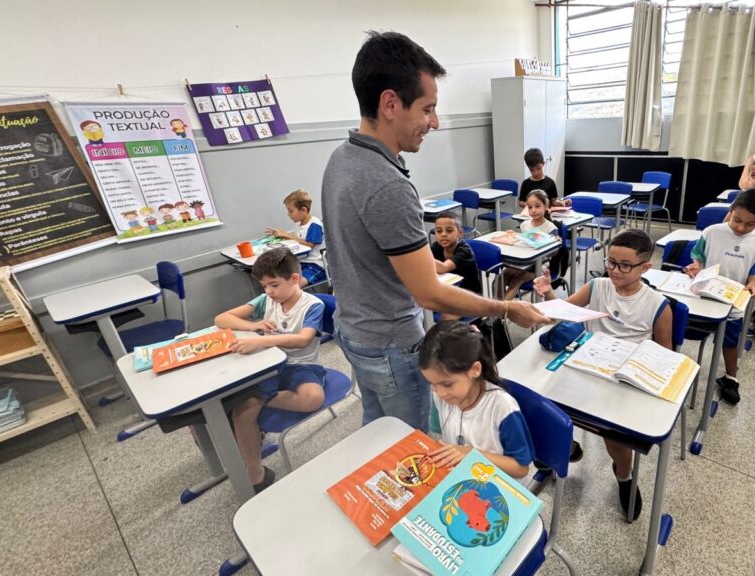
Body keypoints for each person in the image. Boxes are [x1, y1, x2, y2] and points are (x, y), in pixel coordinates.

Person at [321, 31, 548, 432]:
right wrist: (507, 307)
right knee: (412, 442)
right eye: (428, 109)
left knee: (380, 429)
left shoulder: (342, 158)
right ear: (390, 103)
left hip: (354, 330)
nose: (435, 122)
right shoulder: (387, 184)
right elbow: (428, 293)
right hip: (390, 342)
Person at [533, 229, 672, 520]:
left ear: (646, 267)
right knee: (538, 406)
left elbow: (665, 357)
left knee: (615, 440)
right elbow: (563, 312)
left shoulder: (657, 305)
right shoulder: (598, 286)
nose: (615, 270)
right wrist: (547, 292)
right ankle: (560, 450)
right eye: (611, 262)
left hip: (622, 379)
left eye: (625, 265)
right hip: (586, 365)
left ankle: (624, 476)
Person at [213, 248, 326, 492]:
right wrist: (253, 325)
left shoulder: (312, 305)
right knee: (244, 412)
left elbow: (303, 340)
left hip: (301, 364)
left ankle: (252, 401)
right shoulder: (266, 301)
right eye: (264, 286)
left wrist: (259, 340)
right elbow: (222, 319)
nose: (268, 292)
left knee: (313, 398)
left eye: (274, 285)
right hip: (268, 364)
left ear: (294, 279)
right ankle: (256, 474)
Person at [684, 189, 755, 405]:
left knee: (731, 340)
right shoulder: (712, 231)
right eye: (737, 220)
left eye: (750, 224)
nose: (741, 228)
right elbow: (698, 255)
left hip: (732, 299)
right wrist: (695, 266)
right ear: (731, 211)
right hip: (703, 295)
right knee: (679, 325)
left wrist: (753, 283)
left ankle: (731, 377)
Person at [420, 321, 534, 479]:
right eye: (432, 384)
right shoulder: (441, 396)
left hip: (495, 485)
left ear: (475, 370)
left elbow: (521, 468)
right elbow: (440, 437)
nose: (439, 393)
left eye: (447, 384)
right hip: (460, 476)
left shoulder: (503, 408)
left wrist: (471, 454)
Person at [503, 190, 559, 300]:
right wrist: (512, 236)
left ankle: (500, 311)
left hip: (539, 265)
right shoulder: (524, 225)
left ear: (546, 206)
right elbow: (522, 243)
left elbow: (554, 253)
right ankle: (497, 309)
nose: (533, 210)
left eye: (537, 206)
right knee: (501, 277)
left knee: (516, 281)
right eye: (529, 207)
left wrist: (554, 243)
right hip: (524, 262)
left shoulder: (551, 228)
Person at [266, 189, 327, 288]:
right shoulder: (299, 224)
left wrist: (287, 235)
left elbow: (308, 245)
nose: (288, 214)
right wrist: (281, 236)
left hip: (316, 266)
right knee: (278, 281)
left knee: (292, 287)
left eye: (291, 211)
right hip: (301, 263)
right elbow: (297, 241)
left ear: (303, 210)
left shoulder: (314, 225)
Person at [431, 211, 481, 320]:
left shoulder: (464, 250)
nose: (443, 234)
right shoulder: (436, 247)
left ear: (460, 233)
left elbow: (443, 267)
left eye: (449, 230)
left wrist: (420, 254)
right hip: (447, 293)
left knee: (446, 321)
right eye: (438, 231)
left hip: (469, 297)